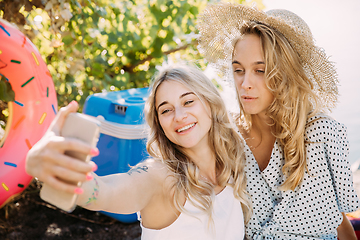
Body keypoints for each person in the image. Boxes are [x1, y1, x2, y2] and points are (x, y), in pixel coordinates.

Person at [25, 65, 252, 239]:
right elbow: (105, 192)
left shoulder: (233, 161)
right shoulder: (160, 177)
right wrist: (57, 169)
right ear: (160, 123)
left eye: (189, 101)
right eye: (166, 110)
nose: (179, 116)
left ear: (211, 104)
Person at [197, 3, 360, 240]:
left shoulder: (322, 133)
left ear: (287, 73)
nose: (245, 84)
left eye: (260, 70)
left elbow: (336, 219)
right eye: (239, 69)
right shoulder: (225, 137)